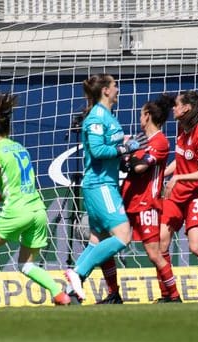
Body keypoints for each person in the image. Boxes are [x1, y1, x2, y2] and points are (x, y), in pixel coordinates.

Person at [0, 92, 71, 307]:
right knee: (26, 264)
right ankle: (59, 293)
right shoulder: (22, 149)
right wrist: (2, 197)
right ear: (8, 129)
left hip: (18, 212)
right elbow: (23, 186)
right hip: (38, 212)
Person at [64, 73, 147, 301]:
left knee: (97, 241)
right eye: (115, 85)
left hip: (105, 184)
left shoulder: (108, 116)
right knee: (123, 236)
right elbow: (98, 152)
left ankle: (69, 291)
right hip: (100, 186)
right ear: (106, 90)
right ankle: (77, 272)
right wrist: (125, 149)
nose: (118, 89)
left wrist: (125, 156)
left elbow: (111, 150)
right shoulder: (96, 118)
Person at [99, 94, 180, 304]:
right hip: (128, 201)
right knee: (105, 243)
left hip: (147, 205)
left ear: (147, 116)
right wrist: (125, 155)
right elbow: (129, 159)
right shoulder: (140, 139)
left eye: (141, 114)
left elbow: (139, 166)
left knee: (154, 253)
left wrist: (126, 157)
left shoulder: (160, 141)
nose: (139, 118)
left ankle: (173, 296)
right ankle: (113, 293)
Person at [158, 90, 198, 301]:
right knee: (161, 241)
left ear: (187, 108)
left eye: (177, 104)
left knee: (195, 246)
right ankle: (169, 295)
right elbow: (180, 161)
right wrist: (160, 175)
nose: (173, 108)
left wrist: (176, 179)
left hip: (197, 195)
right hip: (177, 194)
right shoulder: (181, 128)